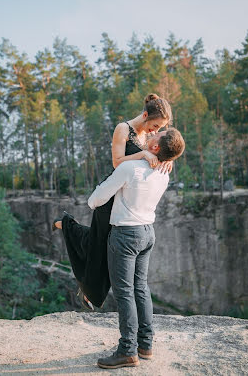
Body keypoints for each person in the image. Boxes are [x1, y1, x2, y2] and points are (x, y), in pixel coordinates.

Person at [52, 94, 173, 310]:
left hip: (128, 200)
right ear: (145, 115)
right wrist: (144, 154)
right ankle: (90, 291)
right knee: (99, 244)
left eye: (159, 128)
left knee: (103, 243)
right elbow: (117, 162)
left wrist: (167, 160)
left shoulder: (149, 137)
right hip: (110, 197)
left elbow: (159, 152)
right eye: (154, 125)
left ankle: (66, 225)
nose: (155, 131)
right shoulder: (123, 129)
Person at [90, 128, 185, 369]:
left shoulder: (129, 168)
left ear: (155, 148)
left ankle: (127, 351)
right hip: (147, 233)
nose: (149, 136)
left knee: (124, 293)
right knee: (140, 288)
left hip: (125, 235)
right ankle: (145, 345)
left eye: (155, 136)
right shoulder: (163, 174)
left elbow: (96, 200)